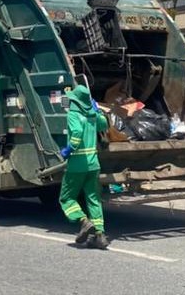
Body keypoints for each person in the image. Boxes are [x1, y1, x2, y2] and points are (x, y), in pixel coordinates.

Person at [58, 84, 110, 249]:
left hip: (77, 164)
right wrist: (98, 111)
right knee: (93, 199)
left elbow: (77, 134)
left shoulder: (73, 114)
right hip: (93, 163)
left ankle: (83, 221)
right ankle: (100, 235)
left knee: (66, 198)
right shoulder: (93, 115)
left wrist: (68, 150)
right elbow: (104, 125)